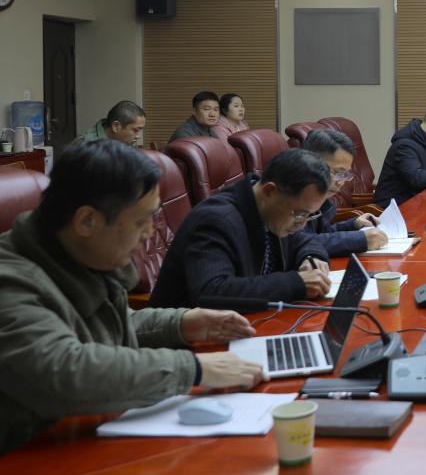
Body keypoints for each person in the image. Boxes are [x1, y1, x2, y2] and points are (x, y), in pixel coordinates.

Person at [0, 140, 263, 455]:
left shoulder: (78, 252)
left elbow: (103, 325)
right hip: (24, 462)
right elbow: (65, 369)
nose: (150, 233)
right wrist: (192, 369)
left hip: (79, 437)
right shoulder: (10, 281)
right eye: (141, 221)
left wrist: (181, 323)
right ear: (87, 221)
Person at [149, 149, 333, 307]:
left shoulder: (272, 210)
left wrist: (311, 257)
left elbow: (302, 239)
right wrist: (295, 283)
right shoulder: (215, 220)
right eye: (300, 214)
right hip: (190, 334)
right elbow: (212, 290)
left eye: (310, 215)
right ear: (269, 192)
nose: (303, 223)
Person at [297, 129, 388, 256]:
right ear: (311, 164)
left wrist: (353, 224)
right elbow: (300, 243)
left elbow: (322, 233)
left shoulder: (320, 197)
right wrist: (360, 240)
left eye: (345, 175)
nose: (341, 182)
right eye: (338, 172)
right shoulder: (291, 196)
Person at [72, 100, 147, 147]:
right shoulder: (85, 145)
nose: (138, 136)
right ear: (116, 126)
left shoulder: (124, 141)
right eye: (135, 130)